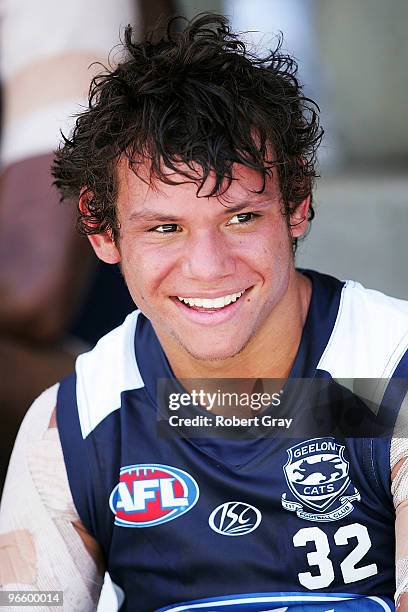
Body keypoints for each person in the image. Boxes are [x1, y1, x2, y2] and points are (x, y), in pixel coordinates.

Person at [1, 12, 408, 611]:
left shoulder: (388, 373)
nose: (208, 267)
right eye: (165, 228)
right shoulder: (72, 426)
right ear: (101, 229)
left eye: (240, 218)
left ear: (296, 202)